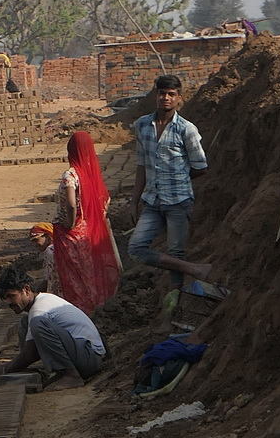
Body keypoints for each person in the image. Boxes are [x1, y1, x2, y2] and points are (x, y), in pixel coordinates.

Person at [129, 74, 213, 288]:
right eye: (162, 93)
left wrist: (179, 177)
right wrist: (134, 200)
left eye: (171, 94)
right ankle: (195, 269)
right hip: (152, 201)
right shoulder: (142, 125)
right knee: (136, 248)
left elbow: (200, 166)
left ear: (179, 99)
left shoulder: (186, 129)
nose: (166, 98)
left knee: (176, 252)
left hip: (178, 201)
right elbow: (141, 164)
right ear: (155, 96)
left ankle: (173, 309)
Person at [0, 268, 105, 390]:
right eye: (5, 298)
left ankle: (71, 375)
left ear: (26, 289)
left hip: (89, 358)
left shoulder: (39, 309)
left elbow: (30, 353)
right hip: (84, 353)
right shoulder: (41, 301)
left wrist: (3, 370)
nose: (9, 302)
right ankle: (59, 371)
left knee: (37, 323)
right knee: (25, 322)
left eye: (11, 296)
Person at [51, 131, 122, 313]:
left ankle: (78, 309)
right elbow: (105, 201)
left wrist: (70, 222)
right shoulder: (91, 176)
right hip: (86, 231)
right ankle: (94, 305)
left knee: (73, 274)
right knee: (88, 272)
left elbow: (71, 203)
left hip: (70, 233)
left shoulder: (71, 175)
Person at [28, 222, 61, 298]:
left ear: (46, 235)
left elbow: (47, 280)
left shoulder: (49, 251)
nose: (34, 245)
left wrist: (34, 295)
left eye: (36, 240)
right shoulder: (59, 247)